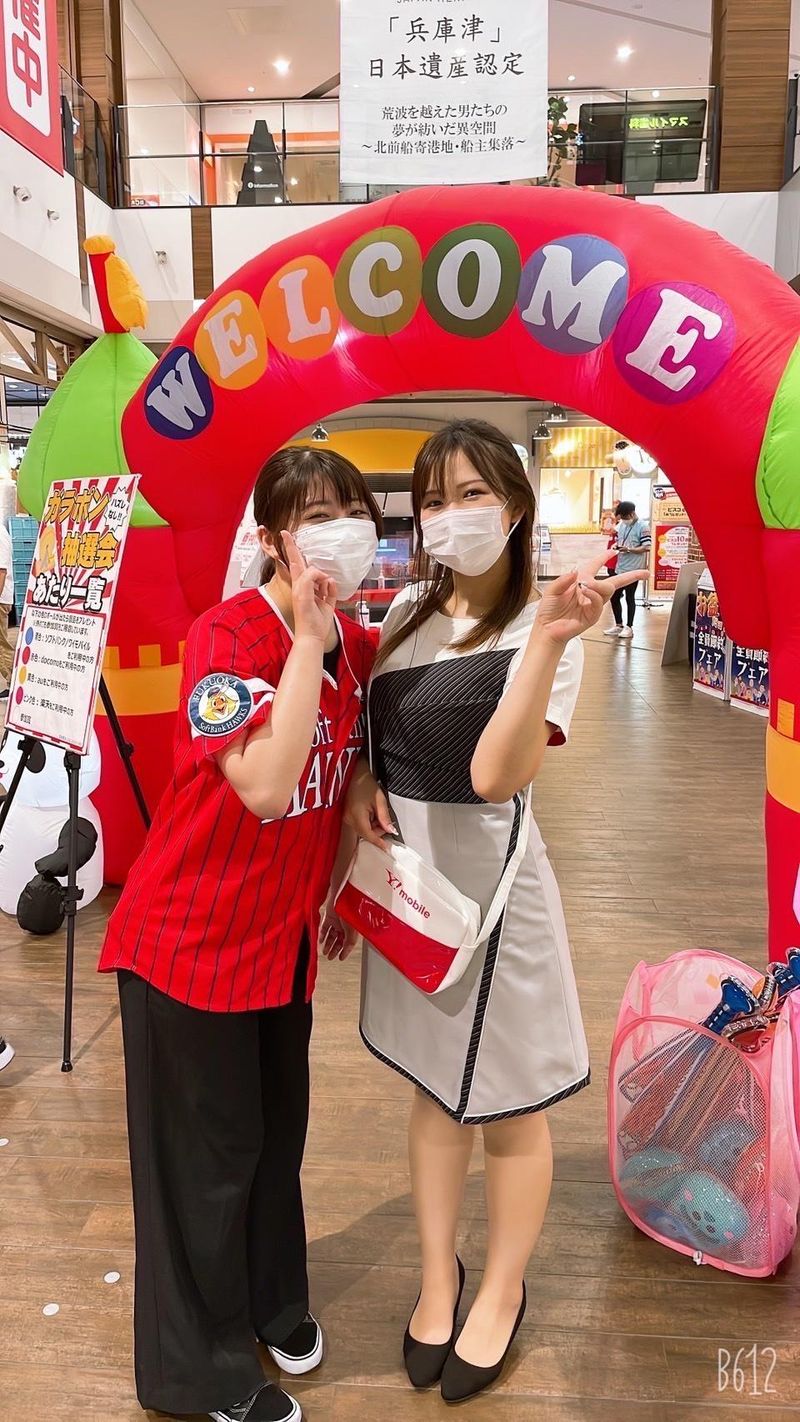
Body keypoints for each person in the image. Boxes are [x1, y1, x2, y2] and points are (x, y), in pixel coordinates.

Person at [327, 420, 646, 1403]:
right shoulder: (405, 614)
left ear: (512, 507)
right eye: (433, 498)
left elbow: (496, 775)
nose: (449, 514)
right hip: (412, 898)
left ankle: (501, 1288)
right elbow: (369, 739)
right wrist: (358, 786)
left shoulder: (542, 628)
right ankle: (439, 1275)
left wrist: (546, 640)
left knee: (508, 1107)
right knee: (433, 1091)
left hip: (497, 902)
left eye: (471, 494)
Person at [98, 447, 381, 1422]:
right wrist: (306, 642)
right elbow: (264, 785)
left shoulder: (359, 646)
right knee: (203, 1168)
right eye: (317, 517)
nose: (341, 532)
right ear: (271, 539)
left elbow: (345, 769)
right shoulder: (223, 638)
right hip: (188, 946)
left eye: (354, 512)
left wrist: (343, 876)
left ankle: (272, 1301)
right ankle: (202, 1372)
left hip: (279, 949)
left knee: (268, 1144)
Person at [604, 500, 651, 638]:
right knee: (614, 596)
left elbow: (647, 547)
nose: (623, 520)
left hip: (633, 569)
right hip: (620, 567)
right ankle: (618, 625)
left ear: (631, 514)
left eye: (624, 517)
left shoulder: (643, 526)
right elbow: (619, 540)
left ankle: (629, 627)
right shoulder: (622, 525)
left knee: (630, 597)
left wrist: (629, 549)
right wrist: (616, 546)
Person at [0, 521, 15, 686]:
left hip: (1, 598)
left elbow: (1, 571)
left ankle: (11, 681)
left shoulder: (0, 534)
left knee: (2, 644)